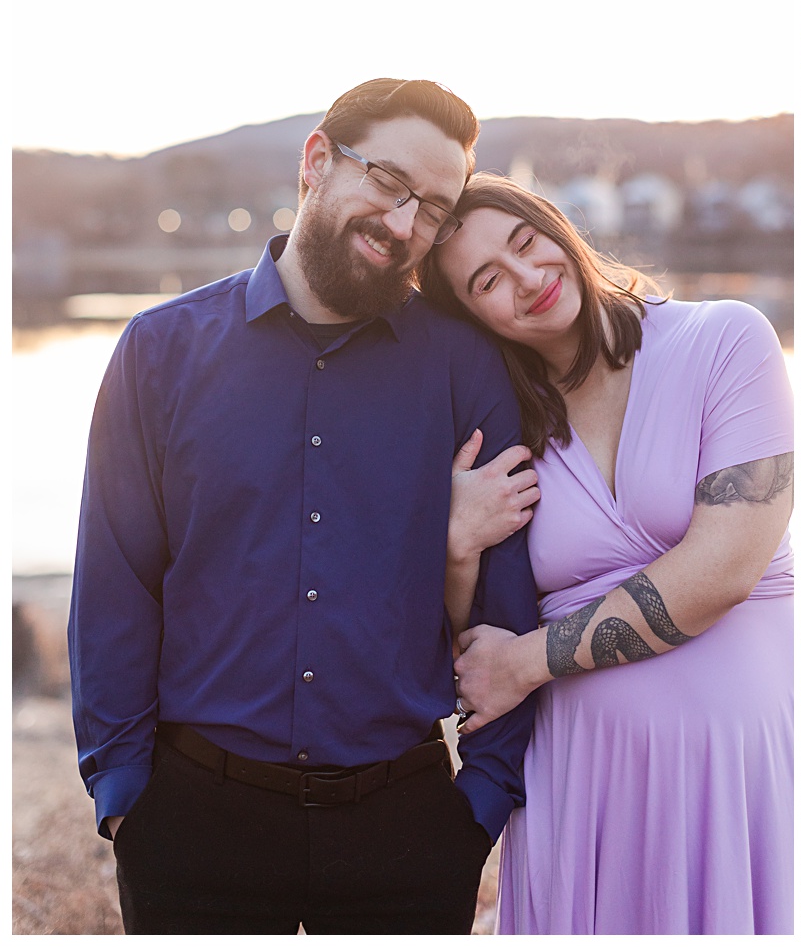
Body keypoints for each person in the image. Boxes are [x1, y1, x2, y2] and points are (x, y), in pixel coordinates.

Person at [69, 79, 539, 933]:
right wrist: (123, 794)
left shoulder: (463, 366)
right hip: (191, 824)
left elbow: (511, 597)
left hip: (407, 831)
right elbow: (115, 581)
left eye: (432, 209)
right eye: (388, 183)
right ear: (317, 160)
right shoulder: (159, 351)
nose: (403, 224)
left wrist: (481, 801)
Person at [418, 173, 795, 935]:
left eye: (527, 243)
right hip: (583, 779)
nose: (527, 279)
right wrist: (455, 540)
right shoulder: (497, 427)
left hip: (736, 773)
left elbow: (723, 568)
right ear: (466, 315)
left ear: (557, 226)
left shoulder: (726, 339)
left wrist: (527, 661)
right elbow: (461, 632)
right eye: (487, 279)